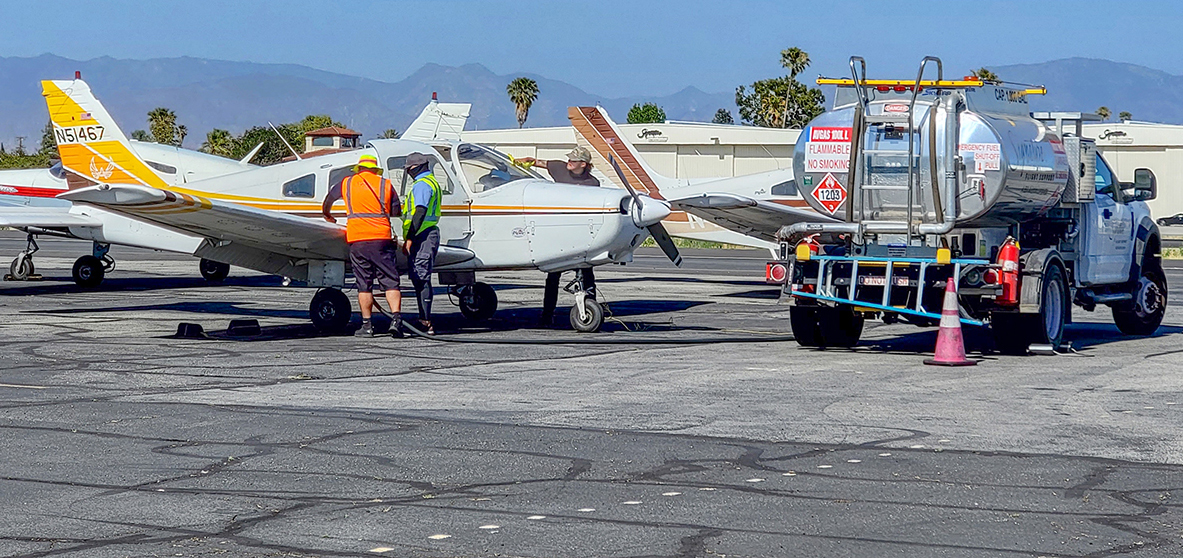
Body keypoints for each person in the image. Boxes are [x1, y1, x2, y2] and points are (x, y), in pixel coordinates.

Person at [322, 153, 404, 338]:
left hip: (358, 239)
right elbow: (397, 210)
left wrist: (328, 215)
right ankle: (396, 320)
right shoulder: (386, 184)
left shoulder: (346, 183)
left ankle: (367, 325)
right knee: (391, 281)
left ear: (359, 169)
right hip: (382, 238)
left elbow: (328, 201)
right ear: (375, 170)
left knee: (364, 284)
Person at [518, 147, 600, 326]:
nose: (569, 162)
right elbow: (539, 162)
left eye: (573, 160)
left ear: (583, 164)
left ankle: (591, 306)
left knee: (586, 272)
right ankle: (547, 315)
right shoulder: (559, 167)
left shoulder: (592, 184)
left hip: (579, 235)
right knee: (553, 275)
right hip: (559, 234)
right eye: (569, 158)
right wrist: (523, 161)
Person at [401, 152, 443, 335]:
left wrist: (410, 237)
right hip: (428, 233)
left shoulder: (422, 185)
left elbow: (419, 212)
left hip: (423, 234)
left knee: (421, 276)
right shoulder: (432, 182)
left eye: (408, 170)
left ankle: (425, 322)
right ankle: (424, 319)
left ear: (415, 168)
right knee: (421, 276)